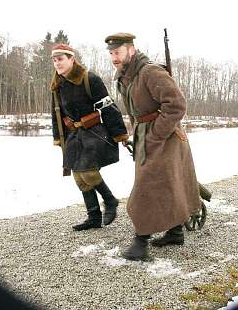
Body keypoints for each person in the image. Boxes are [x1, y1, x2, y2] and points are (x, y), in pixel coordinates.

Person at [105, 32, 202, 261]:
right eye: (111, 53)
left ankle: (141, 241)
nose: (114, 58)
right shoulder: (124, 76)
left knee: (144, 189)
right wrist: (137, 134)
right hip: (146, 136)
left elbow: (177, 105)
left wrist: (155, 135)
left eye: (117, 52)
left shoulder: (150, 72)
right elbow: (134, 111)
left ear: (131, 50)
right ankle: (176, 232)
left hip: (165, 139)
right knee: (169, 185)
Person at [50, 43, 129, 231]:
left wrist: (120, 134)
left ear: (71, 59)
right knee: (78, 176)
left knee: (87, 171)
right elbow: (56, 113)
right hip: (73, 135)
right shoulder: (57, 84)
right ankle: (93, 217)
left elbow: (108, 107)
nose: (57, 63)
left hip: (94, 133)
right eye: (54, 60)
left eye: (60, 59)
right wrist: (58, 137)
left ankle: (110, 201)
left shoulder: (89, 79)